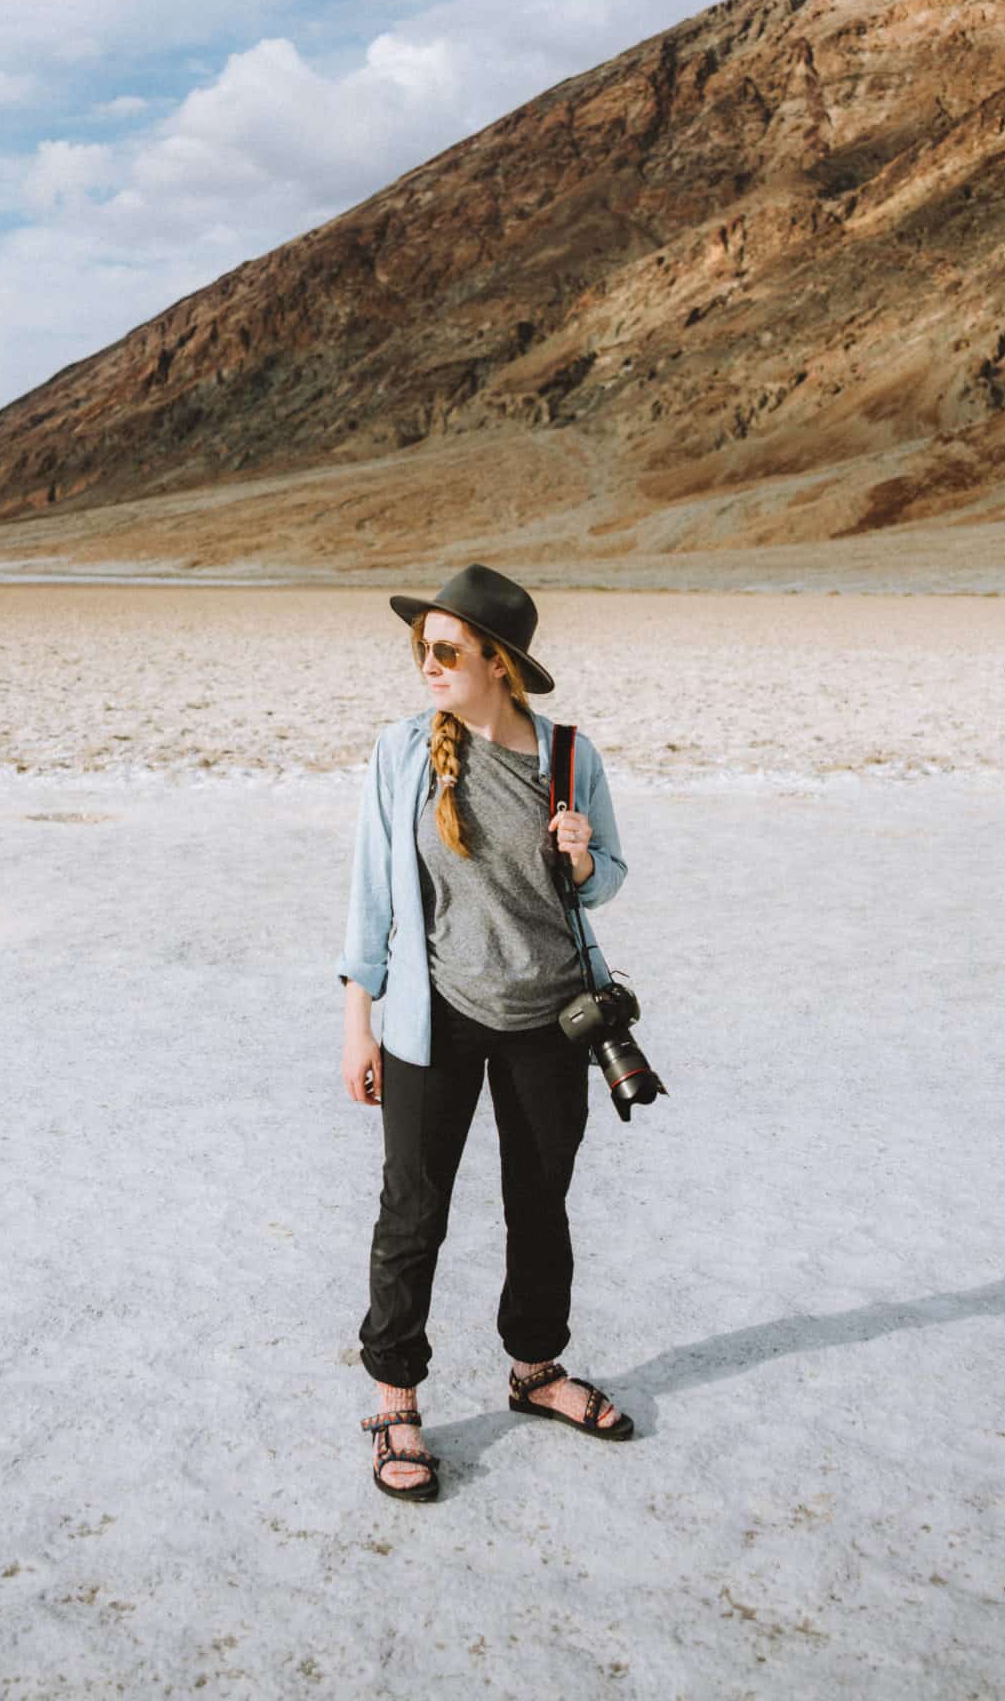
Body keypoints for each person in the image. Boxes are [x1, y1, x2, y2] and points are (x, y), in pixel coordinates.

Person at [338, 562, 634, 1503]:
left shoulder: (567, 754)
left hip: (551, 1021)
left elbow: (607, 879)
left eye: (446, 650)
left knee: (539, 1206)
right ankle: (395, 1397)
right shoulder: (400, 754)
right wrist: (359, 1024)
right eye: (420, 649)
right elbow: (371, 901)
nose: (427, 664)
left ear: (498, 664)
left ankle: (535, 1370)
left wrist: (584, 859)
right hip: (437, 1023)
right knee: (412, 1212)